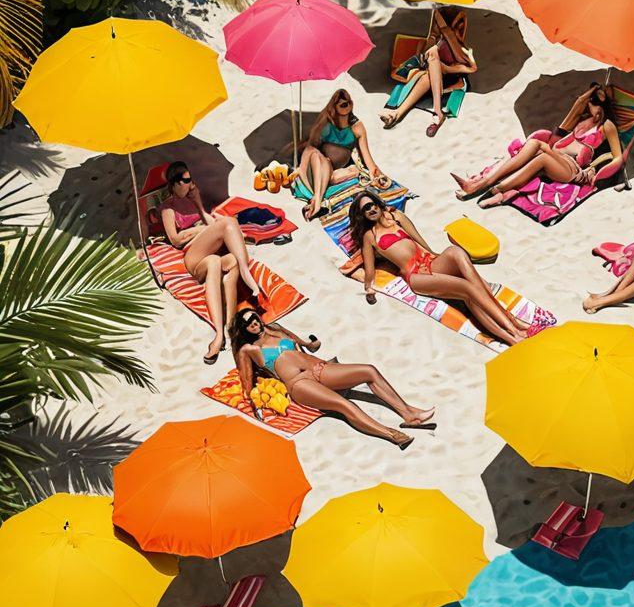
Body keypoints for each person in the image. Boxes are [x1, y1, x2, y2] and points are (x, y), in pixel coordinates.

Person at [348, 190, 553, 347]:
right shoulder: (370, 236)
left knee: (456, 252)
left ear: (378, 203)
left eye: (372, 204)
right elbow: (369, 270)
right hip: (416, 276)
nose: (371, 210)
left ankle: (517, 325)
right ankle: (514, 332)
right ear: (361, 214)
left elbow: (420, 241)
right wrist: (369, 289)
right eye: (366, 209)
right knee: (468, 289)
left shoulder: (396, 217)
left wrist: (437, 258)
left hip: (429, 262)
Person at [230, 309, 434, 449]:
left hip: (319, 368)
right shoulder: (248, 350)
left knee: (369, 370)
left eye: (254, 318)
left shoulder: (276, 327)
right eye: (248, 323)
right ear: (244, 329)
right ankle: (392, 435)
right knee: (343, 404)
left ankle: (408, 414)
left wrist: (311, 345)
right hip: (299, 384)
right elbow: (247, 382)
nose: (254, 323)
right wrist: (255, 401)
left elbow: (302, 343)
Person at [159, 161, 261, 365]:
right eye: (186, 180)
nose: (190, 184)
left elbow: (209, 222)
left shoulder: (192, 199)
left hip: (209, 254)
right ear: (175, 183)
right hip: (192, 255)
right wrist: (198, 231)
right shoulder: (167, 208)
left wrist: (197, 203)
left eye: (190, 180)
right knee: (229, 222)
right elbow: (176, 240)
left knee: (223, 261)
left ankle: (224, 332)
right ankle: (245, 269)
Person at [452, 83, 622, 204]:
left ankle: (493, 188)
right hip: (557, 157)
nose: (591, 104)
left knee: (542, 153)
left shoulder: (607, 126)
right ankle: (485, 183)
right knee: (534, 143)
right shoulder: (584, 118)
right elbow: (579, 103)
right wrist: (593, 89)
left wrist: (599, 172)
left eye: (597, 100)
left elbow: (618, 158)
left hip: (571, 168)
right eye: (592, 100)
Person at [379, 8, 476, 138]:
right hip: (428, 72)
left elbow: (470, 68)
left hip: (443, 73)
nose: (458, 29)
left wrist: (436, 13)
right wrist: (433, 36)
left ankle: (401, 113)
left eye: (460, 26)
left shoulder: (458, 48)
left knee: (432, 55)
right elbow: (425, 51)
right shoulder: (439, 41)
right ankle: (401, 113)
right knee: (430, 62)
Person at [297, 89, 390, 222]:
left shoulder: (357, 127)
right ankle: (317, 204)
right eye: (342, 104)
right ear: (334, 106)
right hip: (317, 166)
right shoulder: (326, 123)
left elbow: (367, 158)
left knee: (354, 171)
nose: (347, 105)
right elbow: (310, 149)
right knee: (316, 154)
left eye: (349, 103)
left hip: (333, 174)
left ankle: (316, 201)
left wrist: (377, 174)